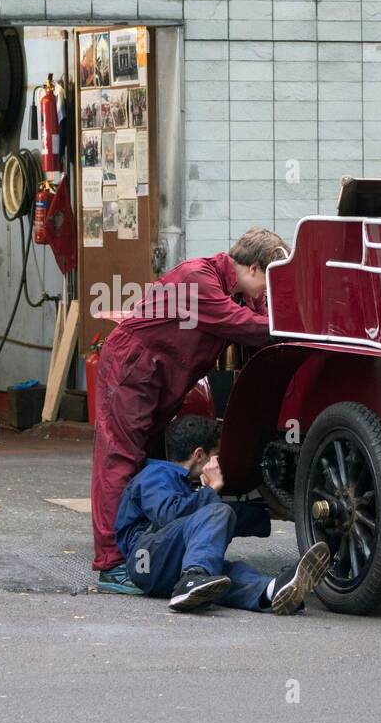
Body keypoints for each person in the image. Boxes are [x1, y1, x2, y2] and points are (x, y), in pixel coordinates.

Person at [91, 228, 289, 594]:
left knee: (148, 461)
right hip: (134, 369)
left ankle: (144, 547)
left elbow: (260, 314)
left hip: (159, 377)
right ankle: (112, 564)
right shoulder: (198, 278)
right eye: (272, 282)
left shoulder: (239, 290)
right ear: (257, 269)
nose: (270, 293)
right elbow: (241, 325)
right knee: (120, 460)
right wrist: (299, 327)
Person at [115, 415, 331, 613]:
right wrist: (212, 489)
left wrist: (273, 513)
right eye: (215, 456)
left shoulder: (183, 484)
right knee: (218, 514)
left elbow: (207, 520)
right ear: (199, 455)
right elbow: (169, 515)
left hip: (170, 565)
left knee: (224, 575)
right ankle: (192, 580)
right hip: (146, 560)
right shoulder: (155, 474)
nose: (219, 463)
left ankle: (272, 592)